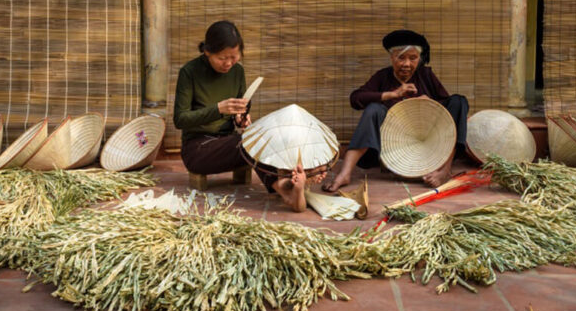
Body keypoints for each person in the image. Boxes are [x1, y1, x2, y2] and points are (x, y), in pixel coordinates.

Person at [173, 20, 311, 212]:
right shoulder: (189, 72)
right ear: (207, 51)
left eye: (234, 56)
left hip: (230, 143)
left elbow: (240, 107)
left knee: (260, 134)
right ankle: (283, 188)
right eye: (222, 58)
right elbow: (180, 119)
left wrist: (240, 118)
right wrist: (218, 109)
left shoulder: (237, 71)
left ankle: (288, 182)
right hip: (198, 149)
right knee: (246, 142)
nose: (228, 63)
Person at [322, 29, 468, 192]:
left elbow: (448, 113)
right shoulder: (382, 77)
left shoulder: (425, 75)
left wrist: (431, 103)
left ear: (419, 59)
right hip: (393, 147)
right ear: (392, 58)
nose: (407, 64)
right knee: (374, 108)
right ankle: (345, 173)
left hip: (427, 141)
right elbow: (356, 98)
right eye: (401, 58)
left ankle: (444, 170)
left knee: (458, 101)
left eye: (413, 58)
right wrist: (392, 94)